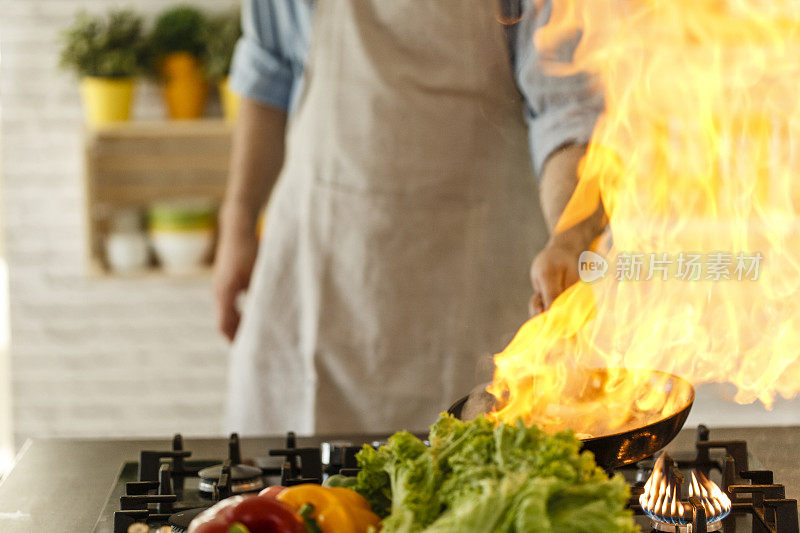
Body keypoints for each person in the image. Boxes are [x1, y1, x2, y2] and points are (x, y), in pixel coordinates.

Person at [214, 0, 605, 435]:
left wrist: (569, 239)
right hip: (315, 271)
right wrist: (237, 221)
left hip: (480, 281)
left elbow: (569, 112)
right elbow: (269, 70)